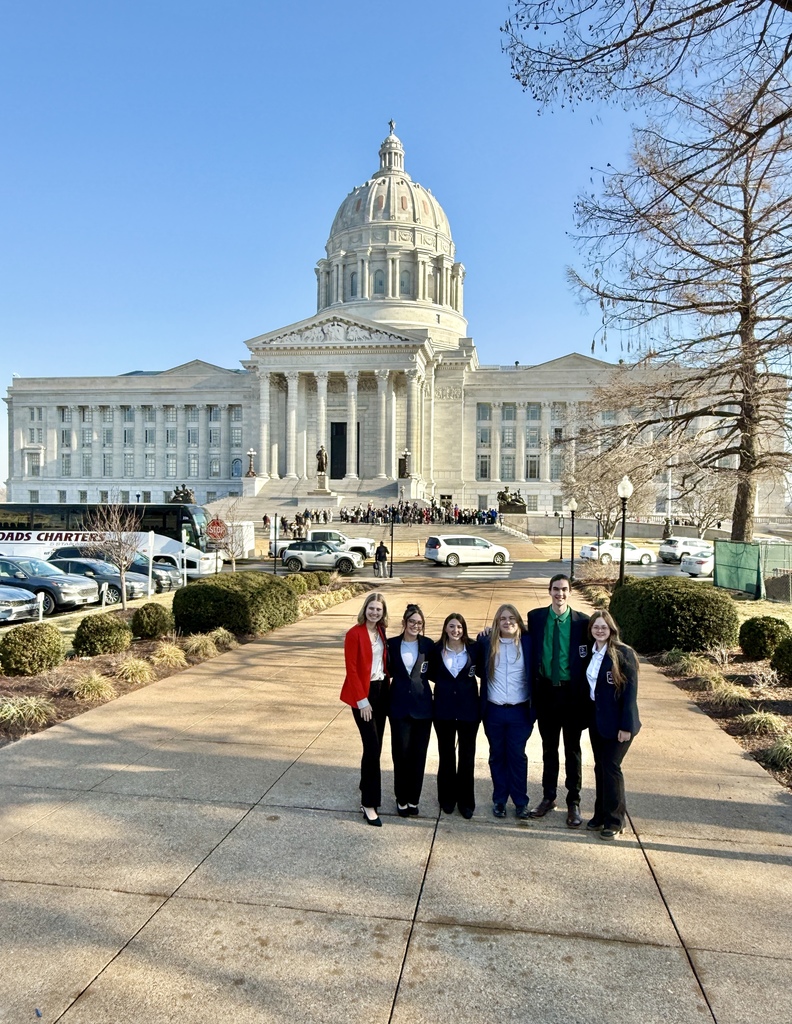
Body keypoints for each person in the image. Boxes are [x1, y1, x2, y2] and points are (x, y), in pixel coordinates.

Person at [527, 574, 590, 827]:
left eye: (564, 590)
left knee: (572, 750)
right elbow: (514, 632)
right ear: (549, 591)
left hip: (571, 695)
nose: (559, 594)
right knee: (548, 748)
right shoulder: (536, 617)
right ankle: (548, 796)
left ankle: (573, 801)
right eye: (555, 589)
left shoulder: (582, 623)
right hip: (546, 693)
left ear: (570, 592)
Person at [584, 610, 641, 840]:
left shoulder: (623, 654)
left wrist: (626, 727)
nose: (599, 630)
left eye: (603, 627)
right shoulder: (591, 652)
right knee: (600, 767)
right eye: (595, 627)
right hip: (597, 722)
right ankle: (601, 814)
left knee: (612, 768)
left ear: (611, 629)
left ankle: (616, 820)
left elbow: (630, 694)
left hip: (619, 724)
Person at [476, 604, 533, 819]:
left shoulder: (528, 643)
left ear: (518, 621)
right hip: (494, 712)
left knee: (517, 756)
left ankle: (521, 802)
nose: (507, 622)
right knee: (497, 755)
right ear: (496, 623)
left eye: (511, 618)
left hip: (520, 712)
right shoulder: (486, 643)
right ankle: (499, 800)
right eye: (502, 619)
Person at [340, 592, 390, 827]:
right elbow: (351, 669)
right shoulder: (354, 633)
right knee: (371, 747)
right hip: (363, 694)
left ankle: (364, 782)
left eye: (378, 609)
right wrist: (362, 700)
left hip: (382, 691)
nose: (374, 612)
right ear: (365, 609)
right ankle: (369, 803)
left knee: (376, 745)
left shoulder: (380, 632)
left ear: (383, 612)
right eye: (371, 608)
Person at [429, 612, 480, 819]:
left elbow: (483, 670)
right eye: (451, 626)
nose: (455, 630)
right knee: (447, 756)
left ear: (464, 628)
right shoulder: (436, 649)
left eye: (459, 627)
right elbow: (431, 673)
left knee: (467, 757)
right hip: (443, 711)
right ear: (445, 628)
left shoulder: (475, 648)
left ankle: (466, 802)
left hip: (469, 711)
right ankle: (447, 799)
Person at [387, 603, 434, 816]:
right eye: (412, 622)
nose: (416, 625)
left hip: (423, 708)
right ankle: (401, 798)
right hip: (398, 708)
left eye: (419, 623)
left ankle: (414, 799)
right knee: (401, 754)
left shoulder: (428, 645)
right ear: (404, 623)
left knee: (418, 754)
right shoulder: (392, 644)